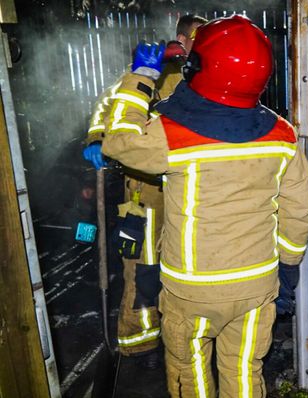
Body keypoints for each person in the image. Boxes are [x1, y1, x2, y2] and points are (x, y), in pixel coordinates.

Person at [100, 15, 308, 398]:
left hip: (192, 289)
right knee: (244, 375)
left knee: (188, 370)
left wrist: (141, 75)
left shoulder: (171, 133)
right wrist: (287, 269)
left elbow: (118, 140)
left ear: (199, 68)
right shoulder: (283, 135)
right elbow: (298, 211)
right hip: (256, 288)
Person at [82, 15, 207, 369]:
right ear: (181, 38)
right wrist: (96, 137)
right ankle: (137, 342)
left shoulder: (206, 75)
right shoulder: (157, 69)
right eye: (197, 37)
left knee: (182, 259)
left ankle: (180, 330)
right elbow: (110, 103)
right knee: (143, 263)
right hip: (145, 185)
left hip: (186, 182)